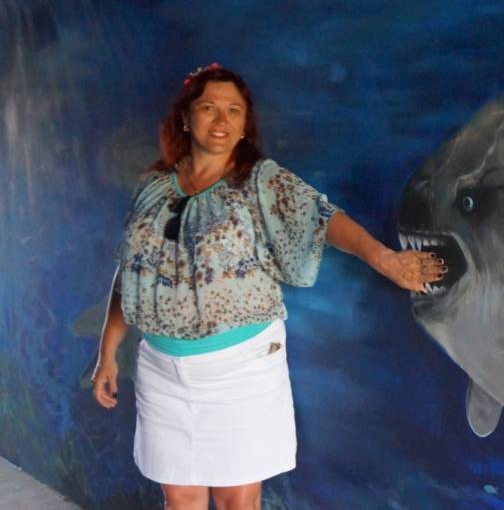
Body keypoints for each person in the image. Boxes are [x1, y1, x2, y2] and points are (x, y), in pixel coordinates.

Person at [91, 63, 444, 510]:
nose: (221, 120)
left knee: (236, 499)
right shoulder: (154, 188)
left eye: (234, 111)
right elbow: (132, 272)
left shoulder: (261, 181)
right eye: (209, 108)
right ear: (186, 117)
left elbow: (323, 217)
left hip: (240, 369)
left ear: (244, 125)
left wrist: (386, 259)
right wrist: (107, 353)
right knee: (179, 497)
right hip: (161, 371)